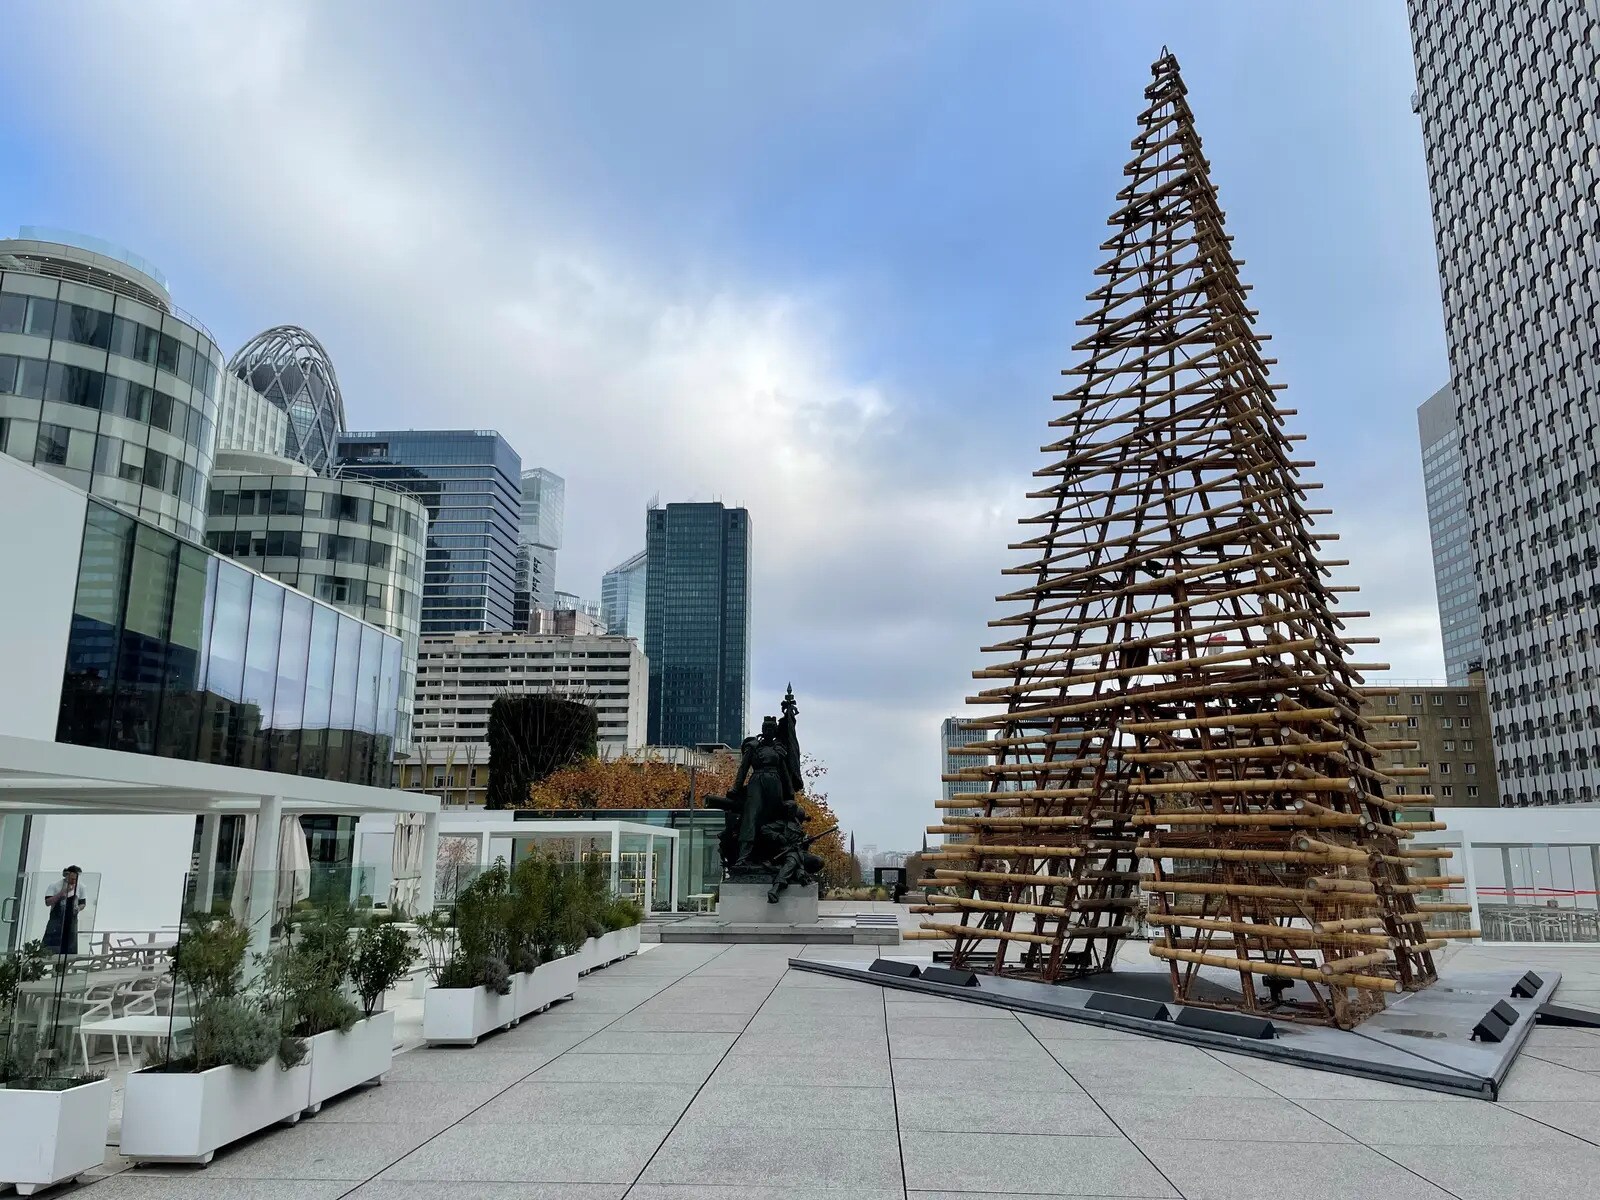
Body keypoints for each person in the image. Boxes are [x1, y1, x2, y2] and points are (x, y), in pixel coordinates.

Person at [43, 865, 88, 956]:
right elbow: (48, 902)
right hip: (56, 920)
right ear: (67, 875)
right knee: (50, 947)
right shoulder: (55, 885)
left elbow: (83, 903)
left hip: (71, 921)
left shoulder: (81, 887)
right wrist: (62, 892)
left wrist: (78, 908)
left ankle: (64, 968)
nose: (74, 881)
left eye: (75, 879)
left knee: (69, 948)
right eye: (72, 879)